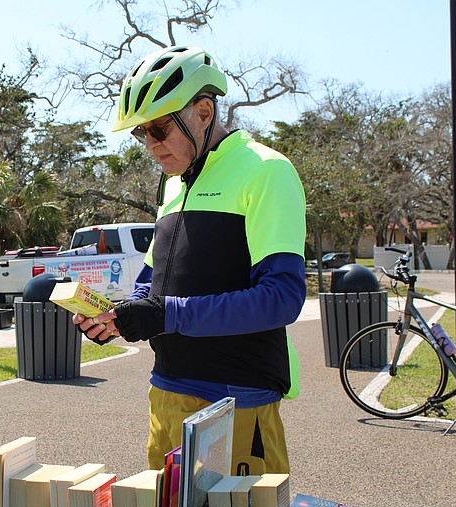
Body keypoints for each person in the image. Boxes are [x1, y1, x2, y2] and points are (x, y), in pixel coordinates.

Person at [77, 46, 306, 476]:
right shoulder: (173, 185)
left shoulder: (266, 171)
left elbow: (282, 298)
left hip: (236, 399)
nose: (150, 145)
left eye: (159, 129)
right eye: (140, 133)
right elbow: (152, 282)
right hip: (166, 392)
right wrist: (121, 315)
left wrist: (165, 314)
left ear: (204, 112)